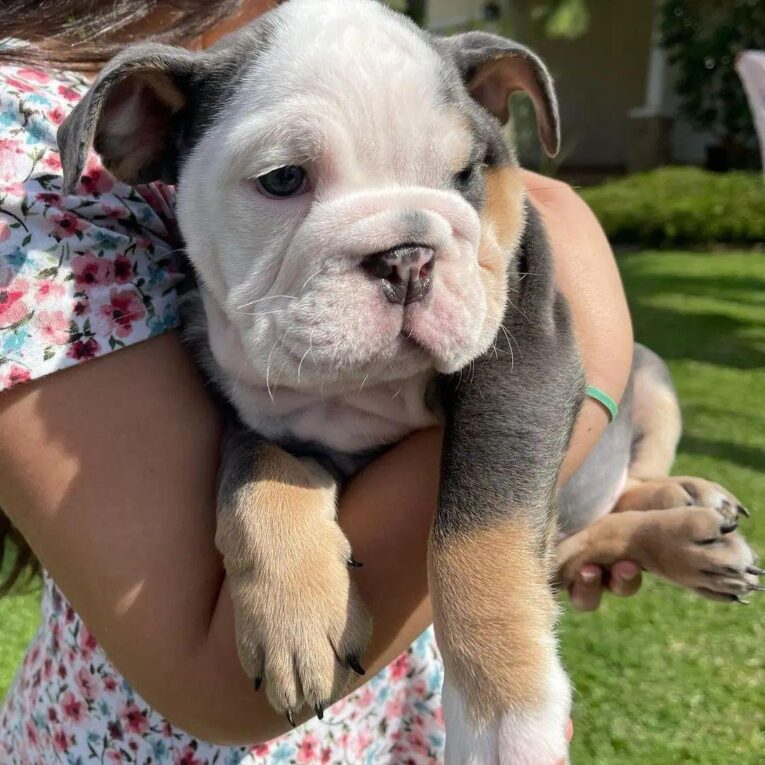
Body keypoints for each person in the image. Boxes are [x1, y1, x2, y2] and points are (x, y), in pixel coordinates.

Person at [0, 1, 639, 762]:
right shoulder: (31, 143)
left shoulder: (362, 65)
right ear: (142, 130)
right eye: (284, 178)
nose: (405, 259)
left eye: (458, 172)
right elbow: (211, 672)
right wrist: (592, 356)